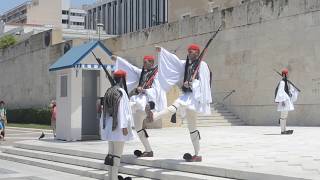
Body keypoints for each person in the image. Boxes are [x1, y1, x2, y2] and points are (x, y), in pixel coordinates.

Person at [145, 44, 212, 162]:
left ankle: (154, 116)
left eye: (191, 52)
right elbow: (173, 62)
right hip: (186, 96)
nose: (189, 53)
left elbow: (205, 83)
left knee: (183, 116)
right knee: (186, 120)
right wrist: (162, 52)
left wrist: (192, 84)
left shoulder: (203, 65)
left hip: (194, 98)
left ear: (197, 52)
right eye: (188, 52)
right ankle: (197, 154)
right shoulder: (186, 64)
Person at [112, 55, 167, 157]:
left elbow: (157, 90)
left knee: (130, 105)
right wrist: (118, 59)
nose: (144, 64)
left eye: (146, 62)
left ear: (151, 62)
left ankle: (148, 111)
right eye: (143, 62)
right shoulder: (142, 72)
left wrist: (145, 90)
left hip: (147, 99)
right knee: (138, 128)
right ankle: (149, 151)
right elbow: (130, 67)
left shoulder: (156, 74)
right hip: (139, 101)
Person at [100, 69, 136, 180]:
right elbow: (122, 111)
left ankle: (111, 177)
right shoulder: (121, 92)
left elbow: (104, 112)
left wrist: (103, 127)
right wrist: (124, 126)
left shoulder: (109, 91)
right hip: (119, 127)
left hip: (110, 127)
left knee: (110, 154)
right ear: (122, 79)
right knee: (116, 155)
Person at [274, 68, 299, 135]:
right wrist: (283, 101)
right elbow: (280, 92)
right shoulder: (282, 82)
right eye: (287, 73)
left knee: (285, 116)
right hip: (284, 102)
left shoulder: (286, 82)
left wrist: (292, 90)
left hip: (286, 101)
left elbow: (288, 91)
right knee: (283, 116)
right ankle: (282, 130)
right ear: (285, 74)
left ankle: (284, 130)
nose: (288, 74)